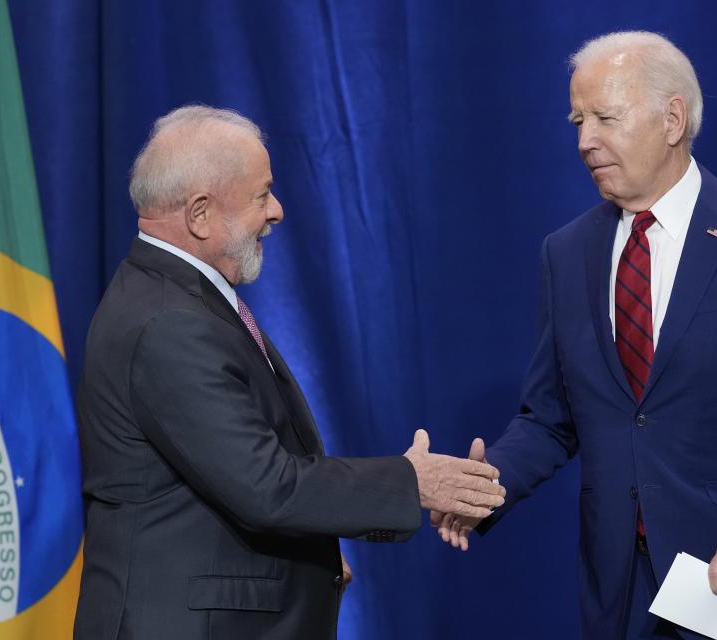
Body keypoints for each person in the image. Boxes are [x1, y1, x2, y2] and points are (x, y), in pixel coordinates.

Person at [432, 31, 717, 639]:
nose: (584, 141)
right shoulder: (566, 253)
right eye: (577, 120)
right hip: (620, 594)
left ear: (672, 118)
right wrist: (484, 486)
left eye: (604, 117)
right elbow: (551, 418)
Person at [74, 105, 505, 640]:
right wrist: (412, 482)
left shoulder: (179, 298)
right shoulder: (169, 321)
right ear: (201, 213)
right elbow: (265, 486)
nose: (276, 211)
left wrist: (308, 560)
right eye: (262, 195)